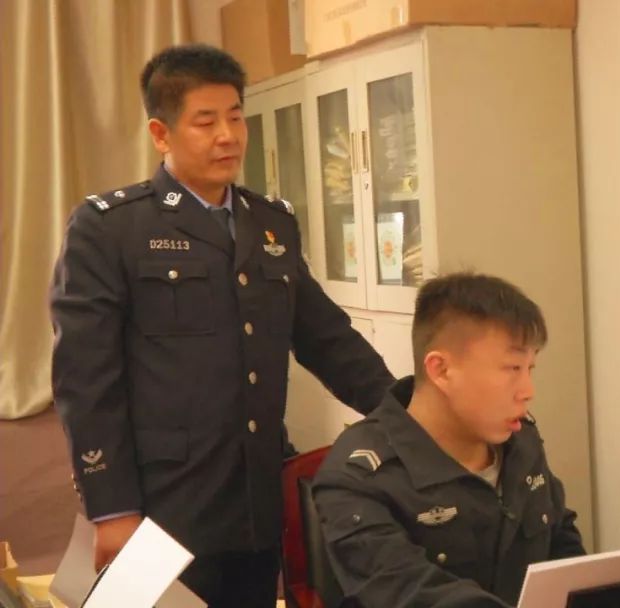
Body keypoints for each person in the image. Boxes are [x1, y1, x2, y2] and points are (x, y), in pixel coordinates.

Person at [49, 44, 395, 606]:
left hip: (254, 498)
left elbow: (328, 340)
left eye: (236, 117)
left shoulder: (271, 224)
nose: (227, 136)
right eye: (205, 122)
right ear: (161, 134)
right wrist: (110, 507)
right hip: (161, 506)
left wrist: (412, 412)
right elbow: (85, 379)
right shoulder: (111, 228)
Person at [314, 272, 586, 607]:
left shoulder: (520, 442)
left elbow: (561, 543)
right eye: (512, 369)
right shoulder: (359, 478)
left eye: (531, 369)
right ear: (441, 370)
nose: (527, 391)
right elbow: (412, 594)